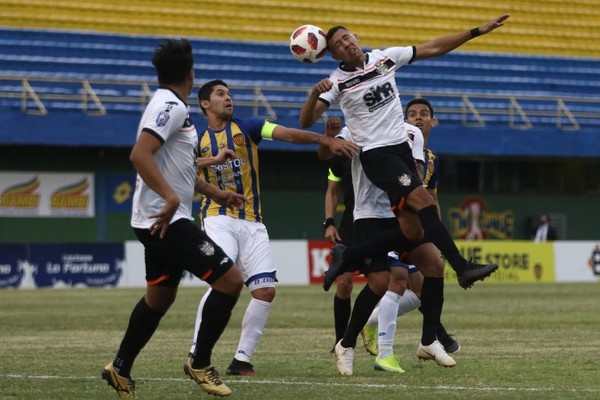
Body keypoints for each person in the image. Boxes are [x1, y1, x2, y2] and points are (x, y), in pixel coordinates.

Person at [300, 16, 510, 290]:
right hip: (377, 156)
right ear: (332, 54)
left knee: (413, 231)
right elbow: (305, 122)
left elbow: (433, 47)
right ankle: (461, 267)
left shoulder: (385, 58)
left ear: (356, 38)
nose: (346, 44)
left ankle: (347, 255)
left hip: (400, 151)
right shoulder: (337, 82)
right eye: (338, 44)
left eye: (347, 37)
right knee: (423, 201)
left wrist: (475, 32)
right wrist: (313, 95)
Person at [101, 39, 248, 398]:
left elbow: (177, 167)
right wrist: (169, 197)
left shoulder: (165, 103)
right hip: (166, 219)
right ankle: (200, 362)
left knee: (159, 299)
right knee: (231, 281)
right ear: (190, 72)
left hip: (154, 220)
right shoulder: (171, 105)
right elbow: (141, 155)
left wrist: (216, 193)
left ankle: (119, 368)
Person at [188, 80, 357, 377]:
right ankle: (196, 353)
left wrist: (323, 140)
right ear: (204, 103)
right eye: (220, 94)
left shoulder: (249, 126)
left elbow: (287, 134)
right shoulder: (194, 136)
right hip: (216, 216)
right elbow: (180, 165)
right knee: (222, 280)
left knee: (265, 291)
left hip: (253, 220)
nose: (228, 98)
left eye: (229, 94)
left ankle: (241, 359)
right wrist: (211, 159)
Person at [319, 118, 456, 375]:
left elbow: (415, 176)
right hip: (369, 215)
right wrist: (328, 137)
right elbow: (325, 156)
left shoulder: (411, 134)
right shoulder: (354, 130)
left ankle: (429, 340)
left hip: (402, 215)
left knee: (433, 266)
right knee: (382, 282)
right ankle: (350, 345)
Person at [361, 98, 460, 372]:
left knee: (420, 290)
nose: (417, 118)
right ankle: (385, 354)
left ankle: (373, 324)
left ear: (432, 122)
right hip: (389, 220)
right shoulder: (393, 147)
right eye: (412, 114)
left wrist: (437, 237)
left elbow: (431, 199)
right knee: (399, 279)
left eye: (424, 114)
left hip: (417, 228)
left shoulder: (433, 160)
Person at [322, 117, 362, 351]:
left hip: (381, 222)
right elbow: (331, 191)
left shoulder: (383, 139)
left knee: (390, 282)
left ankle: (371, 325)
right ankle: (341, 342)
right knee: (345, 283)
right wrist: (329, 222)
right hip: (351, 225)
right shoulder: (343, 144)